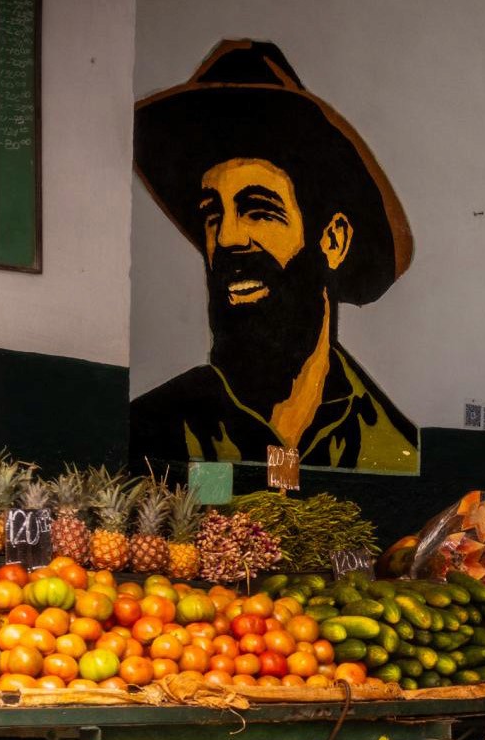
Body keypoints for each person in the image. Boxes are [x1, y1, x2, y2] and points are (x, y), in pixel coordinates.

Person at [128, 40, 421, 472]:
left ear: (333, 241)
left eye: (259, 210)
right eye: (213, 215)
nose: (227, 238)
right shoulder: (158, 429)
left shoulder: (388, 446)